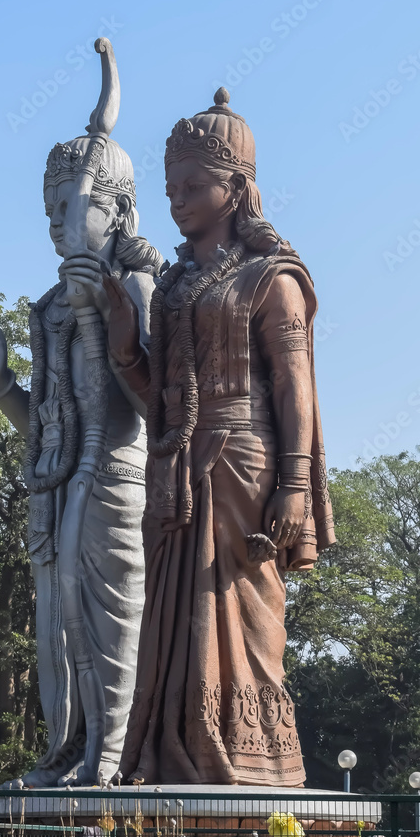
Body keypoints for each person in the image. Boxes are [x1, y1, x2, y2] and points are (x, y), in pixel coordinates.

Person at [99, 88, 336, 785]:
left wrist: (294, 484)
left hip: (244, 467)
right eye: (170, 186)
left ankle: (250, 759)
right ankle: (171, 751)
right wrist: (125, 352)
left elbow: (295, 387)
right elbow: (161, 408)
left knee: (239, 615)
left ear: (234, 189)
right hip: (174, 474)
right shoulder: (174, 286)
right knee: (169, 625)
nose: (177, 198)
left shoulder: (272, 278)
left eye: (192, 185)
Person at [0, 135, 161, 785]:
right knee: (55, 628)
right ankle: (66, 749)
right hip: (53, 491)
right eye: (52, 213)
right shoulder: (50, 306)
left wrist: (104, 308)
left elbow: (147, 399)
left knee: (110, 622)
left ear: (121, 213)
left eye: (76, 209)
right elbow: (46, 425)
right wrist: (0, 388)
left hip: (113, 478)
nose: (60, 226)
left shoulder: (137, 285)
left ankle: (113, 754)